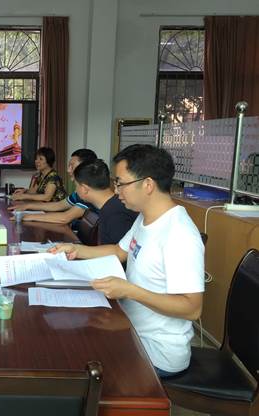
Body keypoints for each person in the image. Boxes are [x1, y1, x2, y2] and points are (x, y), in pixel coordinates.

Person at [50, 144, 204, 377]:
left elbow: (192, 308)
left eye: (121, 183)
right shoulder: (144, 218)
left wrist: (129, 291)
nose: (116, 190)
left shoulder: (179, 233)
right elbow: (119, 251)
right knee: (66, 337)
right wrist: (76, 249)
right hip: (130, 327)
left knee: (71, 356)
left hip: (156, 351)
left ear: (148, 184)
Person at [10, 148, 97, 224]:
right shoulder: (79, 193)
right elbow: (58, 205)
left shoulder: (88, 193)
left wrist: (26, 216)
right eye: (69, 166)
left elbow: (64, 218)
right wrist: (27, 206)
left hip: (71, 228)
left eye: (72, 166)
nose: (68, 170)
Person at [71, 159, 138, 244]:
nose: (76, 190)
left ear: (84, 189)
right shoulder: (111, 205)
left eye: (76, 186)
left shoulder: (114, 214)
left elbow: (119, 251)